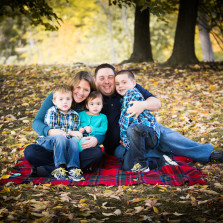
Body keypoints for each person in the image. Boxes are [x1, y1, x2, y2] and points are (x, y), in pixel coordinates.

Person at [94, 63, 223, 171]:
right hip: (119, 145)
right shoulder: (94, 98)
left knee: (167, 136)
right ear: (95, 81)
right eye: (102, 78)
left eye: (110, 77)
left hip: (143, 129)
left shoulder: (125, 88)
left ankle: (207, 154)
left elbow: (156, 103)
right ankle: (163, 159)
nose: (106, 81)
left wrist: (143, 104)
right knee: (132, 160)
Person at [24, 71, 104, 177]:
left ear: (90, 92)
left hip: (74, 148)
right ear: (72, 85)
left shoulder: (92, 103)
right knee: (30, 152)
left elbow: (100, 128)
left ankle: (49, 170)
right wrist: (49, 131)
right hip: (54, 145)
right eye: (78, 87)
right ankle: (74, 168)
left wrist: (97, 139)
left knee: (96, 153)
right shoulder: (59, 95)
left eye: (86, 90)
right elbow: (36, 122)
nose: (81, 92)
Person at [115, 70, 178, 172]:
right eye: (117, 84)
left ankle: (142, 164)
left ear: (133, 83)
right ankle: (161, 161)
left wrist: (125, 141)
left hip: (147, 133)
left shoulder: (132, 94)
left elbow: (127, 121)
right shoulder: (124, 99)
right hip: (138, 139)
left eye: (124, 82)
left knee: (133, 129)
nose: (120, 86)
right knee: (128, 167)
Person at [36, 85, 84, 181]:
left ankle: (73, 168)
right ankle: (59, 168)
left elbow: (74, 132)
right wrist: (71, 132)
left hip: (65, 141)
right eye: (61, 99)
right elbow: (55, 130)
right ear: (54, 101)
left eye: (68, 99)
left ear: (72, 100)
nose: (65, 102)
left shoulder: (74, 115)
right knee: (60, 138)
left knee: (74, 142)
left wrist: (80, 132)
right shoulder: (52, 111)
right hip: (48, 140)